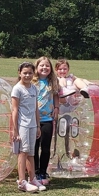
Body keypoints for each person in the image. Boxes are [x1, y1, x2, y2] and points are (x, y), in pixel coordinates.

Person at [11, 62, 46, 193]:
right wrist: (15, 130)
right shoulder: (17, 89)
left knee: (31, 153)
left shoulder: (34, 88)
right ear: (19, 73)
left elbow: (36, 108)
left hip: (32, 125)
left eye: (30, 73)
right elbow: (14, 110)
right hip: (22, 125)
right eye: (25, 73)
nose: (27, 75)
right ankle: (21, 181)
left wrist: (37, 126)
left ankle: (32, 179)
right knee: (23, 152)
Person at [33, 56, 59, 186]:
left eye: (47, 65)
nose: (44, 68)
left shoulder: (52, 81)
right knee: (34, 146)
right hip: (33, 119)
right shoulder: (32, 82)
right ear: (36, 68)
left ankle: (43, 171)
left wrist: (56, 108)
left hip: (47, 119)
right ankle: (35, 171)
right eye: (41, 65)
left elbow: (56, 95)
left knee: (45, 147)